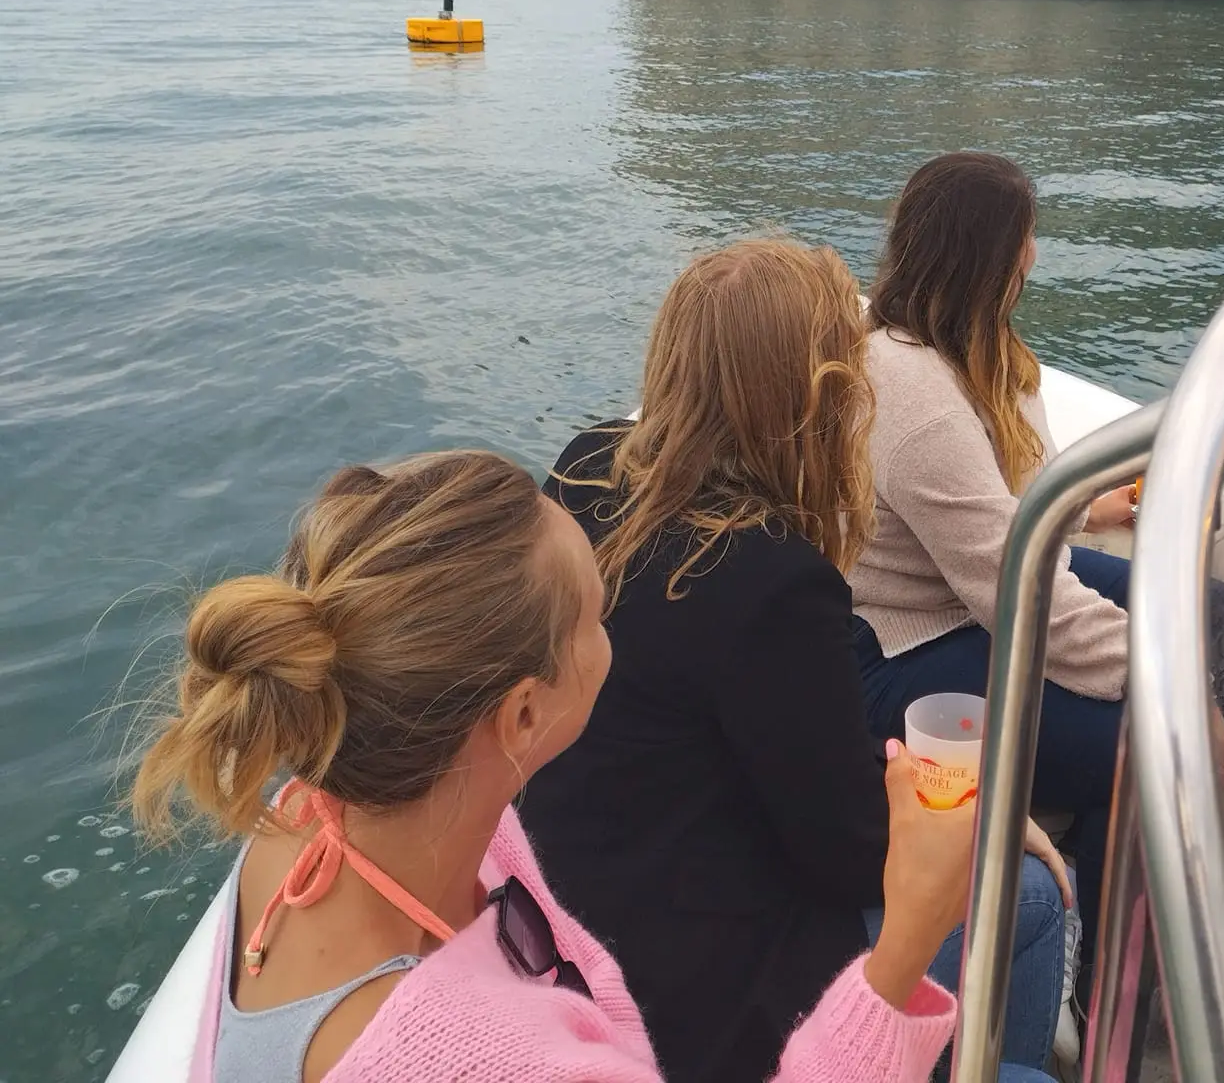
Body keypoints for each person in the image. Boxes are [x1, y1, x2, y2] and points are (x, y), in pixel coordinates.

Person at [130, 449, 1013, 1083]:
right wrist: (904, 945)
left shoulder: (306, 819)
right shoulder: (499, 1063)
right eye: (597, 615)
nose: (611, 635)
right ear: (520, 714)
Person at [520, 239, 1070, 1083]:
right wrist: (981, 821)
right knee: (1027, 898)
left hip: (576, 898)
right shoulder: (773, 581)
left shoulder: (585, 464)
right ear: (820, 394)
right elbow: (845, 852)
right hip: (702, 982)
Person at [849, 151, 1224, 966]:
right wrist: (1180, 692)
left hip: (987, 583)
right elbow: (1023, 596)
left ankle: (1103, 842)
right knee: (1157, 741)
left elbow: (999, 511)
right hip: (909, 644)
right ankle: (1100, 963)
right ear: (992, 254)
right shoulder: (916, 401)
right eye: (1026, 238)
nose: (1035, 256)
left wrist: (1087, 509)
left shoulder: (971, 349)